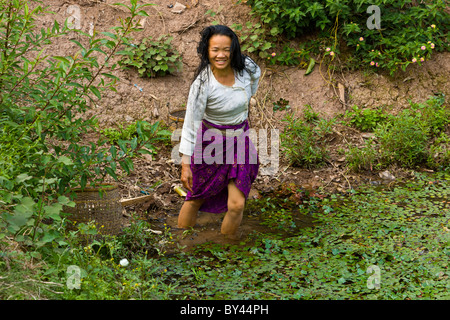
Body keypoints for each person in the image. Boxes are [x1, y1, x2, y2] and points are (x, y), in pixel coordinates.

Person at [177, 25, 261, 237]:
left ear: (234, 49)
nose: (221, 55)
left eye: (226, 49)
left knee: (237, 205)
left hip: (240, 140)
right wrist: (186, 163)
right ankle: (181, 245)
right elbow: (190, 124)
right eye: (215, 50)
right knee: (196, 197)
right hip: (210, 143)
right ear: (207, 51)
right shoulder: (203, 84)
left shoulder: (247, 68)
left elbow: (256, 78)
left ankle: (225, 251)